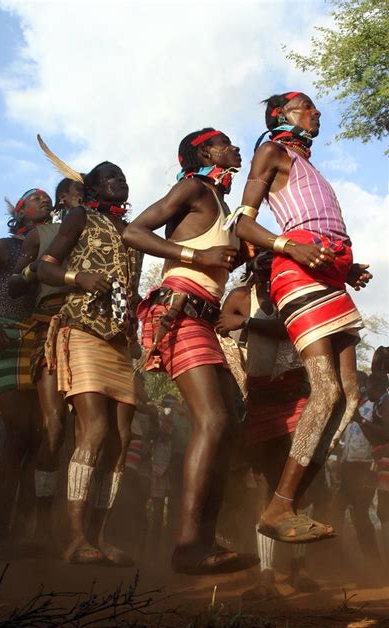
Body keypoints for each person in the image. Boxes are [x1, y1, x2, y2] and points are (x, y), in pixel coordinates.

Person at [231, 91, 372, 544]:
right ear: (280, 115)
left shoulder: (308, 165)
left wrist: (346, 267)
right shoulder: (270, 152)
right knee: (326, 389)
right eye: (306, 106)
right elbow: (244, 224)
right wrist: (291, 247)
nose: (316, 113)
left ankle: (283, 503)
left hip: (329, 274)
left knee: (350, 396)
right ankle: (280, 507)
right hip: (297, 273)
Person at [123, 128, 259, 575]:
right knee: (215, 420)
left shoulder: (222, 207)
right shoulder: (193, 187)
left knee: (230, 429)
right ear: (204, 151)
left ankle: (203, 538)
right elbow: (133, 232)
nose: (235, 147)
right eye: (225, 142)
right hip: (176, 310)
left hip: (199, 317)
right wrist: (196, 258)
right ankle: (188, 546)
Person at [37, 161, 142, 566]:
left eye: (124, 175)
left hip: (120, 340)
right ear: (94, 187)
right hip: (81, 329)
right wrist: (78, 278)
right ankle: (75, 537)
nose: (122, 180)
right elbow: (46, 265)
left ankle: (100, 536)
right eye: (111, 176)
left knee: (120, 439)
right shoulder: (82, 216)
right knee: (95, 429)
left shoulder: (133, 230)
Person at [217, 251, 318, 598]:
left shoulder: (291, 293)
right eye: (264, 269)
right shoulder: (242, 296)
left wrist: (246, 324)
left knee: (298, 483)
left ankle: (299, 570)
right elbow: (222, 327)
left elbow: (285, 328)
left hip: (295, 395)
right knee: (266, 485)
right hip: (259, 399)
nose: (269, 275)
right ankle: (266, 575)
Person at [0, 189, 53, 554]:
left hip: (45, 340)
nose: (44, 201)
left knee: (40, 437)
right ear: (20, 211)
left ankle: (24, 531)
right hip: (8, 338)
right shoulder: (3, 248)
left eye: (48, 198)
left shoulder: (57, 249)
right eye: (35, 198)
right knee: (15, 429)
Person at [8, 176, 84, 552]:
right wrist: (37, 269)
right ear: (63, 199)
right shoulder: (41, 234)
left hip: (94, 330)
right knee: (53, 430)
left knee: (94, 432)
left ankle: (81, 533)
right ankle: (39, 524)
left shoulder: (100, 227)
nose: (42, 201)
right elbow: (14, 286)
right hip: (51, 328)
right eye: (34, 198)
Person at [332, 372, 381, 577]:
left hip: (366, 467)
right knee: (335, 512)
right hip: (347, 467)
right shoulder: (350, 410)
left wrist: (360, 420)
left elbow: (380, 436)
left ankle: (374, 567)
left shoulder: (373, 408)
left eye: (357, 384)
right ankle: (340, 562)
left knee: (360, 515)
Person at [357, 371, 389, 577]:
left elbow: (387, 434)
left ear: (376, 387)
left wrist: (362, 421)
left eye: (369, 385)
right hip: (382, 462)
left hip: (388, 462)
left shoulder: (387, 403)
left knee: (385, 512)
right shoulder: (380, 405)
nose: (366, 390)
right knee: (383, 513)